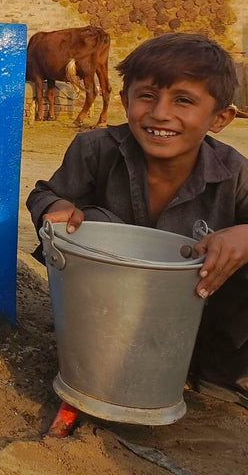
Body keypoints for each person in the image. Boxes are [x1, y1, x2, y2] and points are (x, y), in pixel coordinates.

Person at [26, 33, 248, 406]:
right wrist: (56, 208)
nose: (160, 113)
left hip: (195, 320)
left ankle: (214, 372)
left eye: (183, 100)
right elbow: (43, 193)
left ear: (220, 118)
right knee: (94, 222)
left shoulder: (234, 172)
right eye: (147, 96)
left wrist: (244, 235)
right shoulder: (95, 150)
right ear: (125, 100)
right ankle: (95, 366)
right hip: (108, 321)